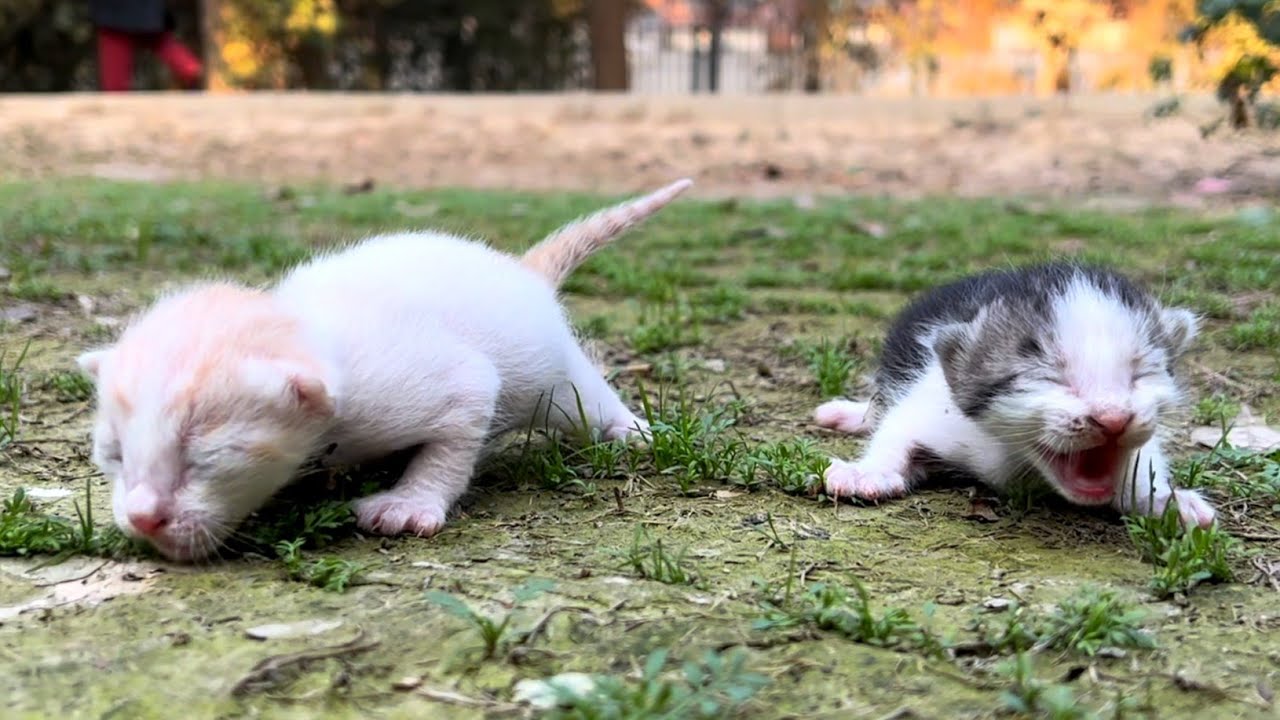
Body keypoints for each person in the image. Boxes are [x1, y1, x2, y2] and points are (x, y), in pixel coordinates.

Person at [89, 0, 204, 91]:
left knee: (115, 86)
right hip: (143, 10)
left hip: (116, 14)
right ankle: (195, 72)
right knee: (162, 43)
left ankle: (195, 72)